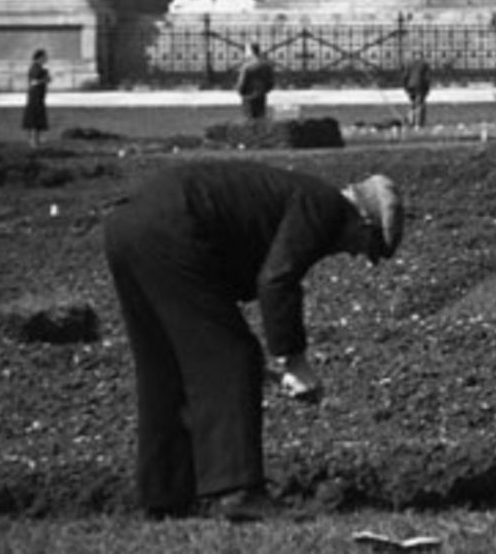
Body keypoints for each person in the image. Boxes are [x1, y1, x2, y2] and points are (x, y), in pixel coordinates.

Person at [102, 162, 405, 520]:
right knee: (234, 357)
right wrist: (295, 362)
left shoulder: (301, 195)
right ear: (364, 220)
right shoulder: (325, 206)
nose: (357, 254)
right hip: (170, 228)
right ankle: (237, 491)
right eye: (368, 246)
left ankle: (164, 494)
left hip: (125, 227)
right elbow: (277, 280)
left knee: (165, 366)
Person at [235, 44, 276, 120]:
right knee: (260, 118)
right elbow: (271, 83)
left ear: (251, 51)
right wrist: (264, 90)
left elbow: (241, 83)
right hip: (261, 96)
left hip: (248, 97)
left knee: (249, 119)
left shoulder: (246, 66)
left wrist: (240, 92)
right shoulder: (266, 65)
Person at [22, 49, 51, 148]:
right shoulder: (35, 68)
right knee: (34, 118)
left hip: (39, 96)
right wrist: (45, 80)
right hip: (35, 96)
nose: (46, 59)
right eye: (45, 57)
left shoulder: (39, 68)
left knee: (38, 118)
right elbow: (34, 82)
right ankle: (33, 141)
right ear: (40, 58)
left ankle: (36, 140)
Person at [402, 55, 433, 129]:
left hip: (410, 86)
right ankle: (417, 124)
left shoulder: (409, 64)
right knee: (419, 105)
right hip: (420, 86)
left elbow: (405, 76)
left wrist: (405, 87)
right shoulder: (425, 64)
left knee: (412, 105)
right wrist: (427, 88)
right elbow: (427, 78)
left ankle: (410, 122)